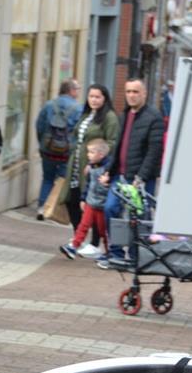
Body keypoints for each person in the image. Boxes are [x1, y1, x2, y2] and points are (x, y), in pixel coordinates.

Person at [97, 78, 164, 269]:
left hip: (141, 178)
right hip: (121, 175)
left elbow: (154, 151)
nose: (131, 96)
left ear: (144, 93)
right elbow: (119, 147)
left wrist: (141, 177)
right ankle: (116, 254)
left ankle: (137, 257)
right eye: (128, 92)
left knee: (140, 217)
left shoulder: (153, 117)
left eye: (135, 92)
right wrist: (108, 171)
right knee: (110, 208)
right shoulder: (124, 114)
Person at [56, 83, 119, 249]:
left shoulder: (109, 117)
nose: (94, 100)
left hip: (94, 167)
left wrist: (97, 160)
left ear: (105, 98)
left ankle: (94, 242)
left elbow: (112, 142)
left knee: (94, 204)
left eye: (98, 97)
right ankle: (78, 236)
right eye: (91, 96)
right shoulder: (87, 114)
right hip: (76, 164)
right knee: (72, 200)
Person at [35, 78, 82, 217]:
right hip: (66, 152)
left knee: (47, 178)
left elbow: (39, 126)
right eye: (77, 89)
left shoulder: (49, 105)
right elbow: (79, 132)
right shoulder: (78, 109)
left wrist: (43, 144)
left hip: (48, 150)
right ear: (71, 90)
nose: (78, 92)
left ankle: (42, 208)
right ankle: (54, 209)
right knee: (62, 180)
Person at [59, 138, 112, 260]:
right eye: (88, 152)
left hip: (102, 205)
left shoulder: (108, 168)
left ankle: (109, 252)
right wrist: (83, 198)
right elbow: (88, 184)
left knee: (103, 230)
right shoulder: (92, 167)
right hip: (91, 202)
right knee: (83, 225)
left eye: (91, 152)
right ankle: (73, 246)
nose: (88, 155)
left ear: (101, 154)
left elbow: (110, 185)